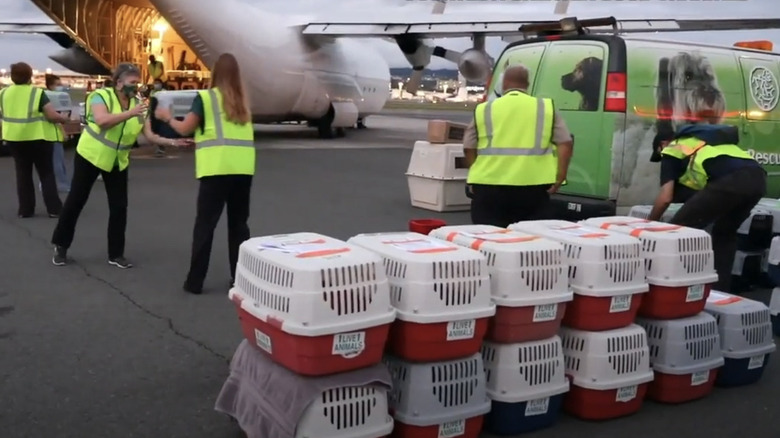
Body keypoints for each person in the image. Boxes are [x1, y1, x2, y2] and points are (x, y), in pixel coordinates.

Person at [50, 63, 188, 268]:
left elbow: (148, 135)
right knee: (76, 201)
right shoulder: (101, 97)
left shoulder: (139, 104)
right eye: (132, 82)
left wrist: (173, 142)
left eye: (138, 82)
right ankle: (60, 246)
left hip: (117, 161)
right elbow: (102, 120)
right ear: (119, 82)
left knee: (119, 207)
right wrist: (131, 113)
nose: (136, 86)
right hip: (91, 156)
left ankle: (116, 254)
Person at [155, 53, 255, 295]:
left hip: (215, 170)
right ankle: (239, 279)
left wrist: (166, 117)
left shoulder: (206, 98)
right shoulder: (243, 102)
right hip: (242, 169)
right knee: (239, 227)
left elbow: (185, 127)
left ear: (215, 73)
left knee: (205, 226)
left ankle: (195, 281)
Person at [647, 119, 766, 293]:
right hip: (758, 181)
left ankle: (669, 285)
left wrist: (650, 223)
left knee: (677, 230)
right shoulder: (707, 143)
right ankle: (719, 291)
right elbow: (703, 194)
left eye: (659, 153)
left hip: (731, 182)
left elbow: (665, 197)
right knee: (724, 233)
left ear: (663, 144)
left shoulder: (672, 149)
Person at [462, 65, 574, 227]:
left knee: (489, 241)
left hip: (489, 189)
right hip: (533, 190)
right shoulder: (545, 108)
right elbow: (565, 143)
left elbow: (468, 146)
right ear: (527, 84)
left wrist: (476, 172)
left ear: (504, 83)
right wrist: (560, 176)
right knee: (529, 243)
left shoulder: (484, 109)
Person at [0, 62, 69, 218]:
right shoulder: (37, 94)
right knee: (46, 173)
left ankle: (25, 210)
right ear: (30, 77)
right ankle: (54, 209)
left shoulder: (3, 93)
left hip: (14, 138)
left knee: (23, 173)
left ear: (12, 77)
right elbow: (51, 115)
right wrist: (63, 118)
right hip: (38, 138)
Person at [41, 73, 71, 193]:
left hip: (48, 134)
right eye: (58, 84)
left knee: (50, 163)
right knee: (57, 162)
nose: (61, 86)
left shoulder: (46, 98)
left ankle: (44, 185)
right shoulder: (53, 100)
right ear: (50, 86)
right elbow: (57, 119)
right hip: (52, 134)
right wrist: (64, 131)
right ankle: (62, 184)